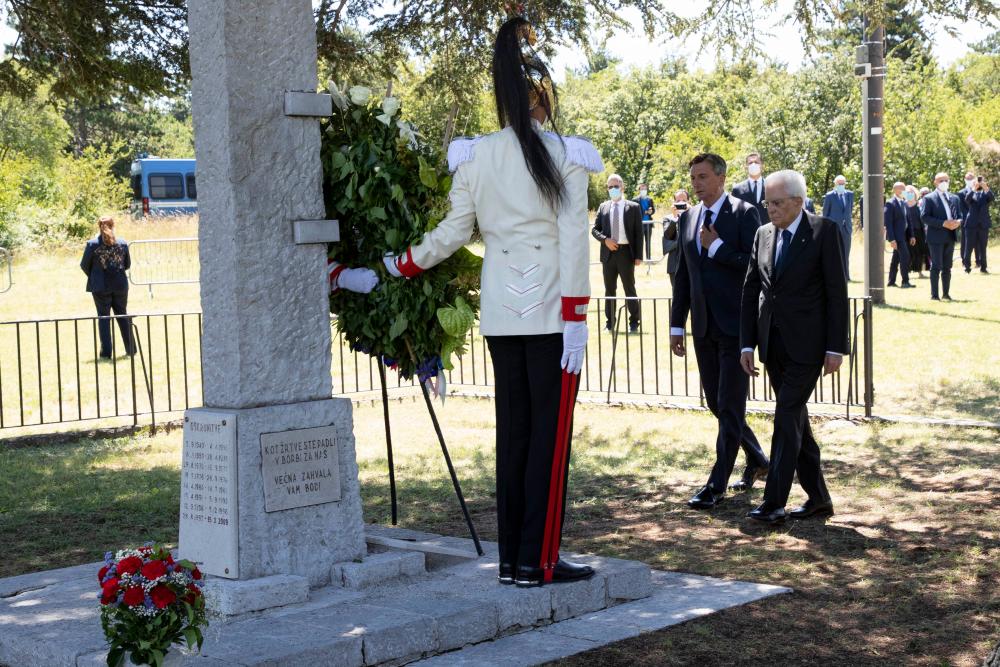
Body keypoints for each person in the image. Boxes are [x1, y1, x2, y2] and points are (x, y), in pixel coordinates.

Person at [381, 16, 602, 588]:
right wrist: (577, 316)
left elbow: (453, 232)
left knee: (515, 435)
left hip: (503, 312)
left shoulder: (475, 156)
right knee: (549, 439)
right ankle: (539, 561)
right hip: (553, 313)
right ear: (543, 100)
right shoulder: (567, 154)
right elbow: (573, 240)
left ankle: (512, 561)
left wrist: (401, 263)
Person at [739, 169, 848, 524]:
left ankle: (774, 502)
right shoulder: (762, 234)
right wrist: (746, 345)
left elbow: (836, 292)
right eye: (767, 203)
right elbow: (751, 291)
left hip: (808, 346)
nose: (770, 209)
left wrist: (836, 347)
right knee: (796, 419)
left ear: (798, 202)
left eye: (777, 203)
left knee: (786, 416)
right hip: (773, 344)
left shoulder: (823, 231)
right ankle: (819, 499)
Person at [669, 153, 769, 508]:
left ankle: (716, 484)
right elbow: (683, 274)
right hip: (703, 327)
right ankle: (757, 458)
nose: (696, 183)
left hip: (736, 327)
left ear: (721, 178)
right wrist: (676, 324)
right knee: (717, 402)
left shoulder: (745, 213)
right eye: (693, 177)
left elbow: (756, 267)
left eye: (703, 176)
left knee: (729, 405)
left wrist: (718, 248)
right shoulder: (688, 218)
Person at [592, 173, 643, 332]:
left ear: (622, 187)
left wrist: (638, 256)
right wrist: (605, 240)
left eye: (616, 186)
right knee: (609, 289)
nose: (613, 189)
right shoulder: (603, 207)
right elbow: (595, 230)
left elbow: (639, 232)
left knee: (629, 288)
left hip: (626, 253)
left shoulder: (633, 207)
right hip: (608, 255)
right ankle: (610, 323)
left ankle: (634, 322)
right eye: (610, 187)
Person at [80, 217, 136, 359]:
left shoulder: (92, 244)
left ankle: (106, 353)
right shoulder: (122, 243)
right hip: (120, 285)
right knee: (122, 315)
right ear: (113, 225)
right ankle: (131, 349)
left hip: (100, 286)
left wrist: (95, 275)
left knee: (104, 318)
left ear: (99, 226)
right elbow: (127, 264)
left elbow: (84, 265)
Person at [921, 172, 963, 301]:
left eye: (946, 180)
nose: (944, 183)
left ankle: (946, 294)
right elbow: (924, 217)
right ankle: (934, 295)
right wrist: (943, 223)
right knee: (936, 266)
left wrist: (958, 222)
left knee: (947, 267)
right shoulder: (929, 198)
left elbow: (960, 215)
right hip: (935, 237)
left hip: (950, 236)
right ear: (935, 182)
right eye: (941, 180)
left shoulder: (954, 198)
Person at [821, 175, 854, 280]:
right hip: (833, 229)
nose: (841, 185)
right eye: (839, 184)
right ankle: (834, 274)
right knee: (834, 253)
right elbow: (825, 214)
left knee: (846, 253)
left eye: (843, 183)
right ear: (835, 184)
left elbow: (849, 210)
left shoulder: (850, 194)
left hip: (846, 228)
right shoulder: (830, 196)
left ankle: (846, 275)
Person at [885, 181, 915, 288]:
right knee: (905, 257)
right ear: (895, 190)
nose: (904, 191)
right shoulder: (890, 203)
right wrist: (892, 239)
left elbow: (909, 220)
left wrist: (912, 235)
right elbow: (888, 223)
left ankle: (891, 281)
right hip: (897, 237)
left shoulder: (904, 203)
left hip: (905, 235)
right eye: (902, 189)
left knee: (896, 258)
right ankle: (905, 281)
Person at [963, 176, 993, 274]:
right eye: (978, 181)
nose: (979, 183)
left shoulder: (986, 193)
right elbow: (967, 199)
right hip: (971, 224)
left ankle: (983, 267)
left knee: (983, 247)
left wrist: (985, 188)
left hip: (983, 224)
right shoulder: (971, 193)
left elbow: (992, 198)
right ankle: (967, 267)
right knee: (969, 247)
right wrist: (974, 189)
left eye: (981, 181)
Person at [661, 190, 688, 290]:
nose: (681, 203)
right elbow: (668, 235)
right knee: (677, 294)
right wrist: (675, 218)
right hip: (674, 262)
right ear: (674, 203)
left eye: (684, 200)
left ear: (689, 202)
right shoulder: (668, 218)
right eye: (678, 201)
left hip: (692, 263)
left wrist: (691, 212)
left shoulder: (695, 215)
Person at [731, 152, 767, 223]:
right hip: (745, 228)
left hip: (768, 228)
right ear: (746, 167)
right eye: (750, 163)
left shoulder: (770, 186)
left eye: (756, 162)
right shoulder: (737, 189)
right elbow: (734, 213)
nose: (753, 165)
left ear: (762, 165)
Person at [905, 185, 929, 277]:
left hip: (920, 231)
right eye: (907, 192)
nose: (909, 194)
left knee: (920, 252)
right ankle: (906, 272)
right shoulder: (904, 205)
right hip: (908, 232)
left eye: (911, 192)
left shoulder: (919, 204)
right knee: (909, 252)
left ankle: (919, 271)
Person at [958, 171, 976, 272]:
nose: (969, 180)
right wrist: (968, 217)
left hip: (978, 220)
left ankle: (979, 261)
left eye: (971, 178)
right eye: (967, 179)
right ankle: (964, 261)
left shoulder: (979, 190)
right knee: (965, 242)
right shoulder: (961, 192)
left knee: (978, 242)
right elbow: (961, 208)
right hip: (966, 221)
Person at [636, 184, 656, 260]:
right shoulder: (635, 200)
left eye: (645, 189)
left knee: (648, 242)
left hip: (648, 224)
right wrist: (645, 212)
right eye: (642, 189)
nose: (644, 191)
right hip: (639, 224)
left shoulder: (650, 199)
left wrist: (651, 211)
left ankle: (648, 258)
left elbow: (653, 210)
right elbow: (634, 211)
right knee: (639, 242)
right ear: (639, 190)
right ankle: (639, 258)